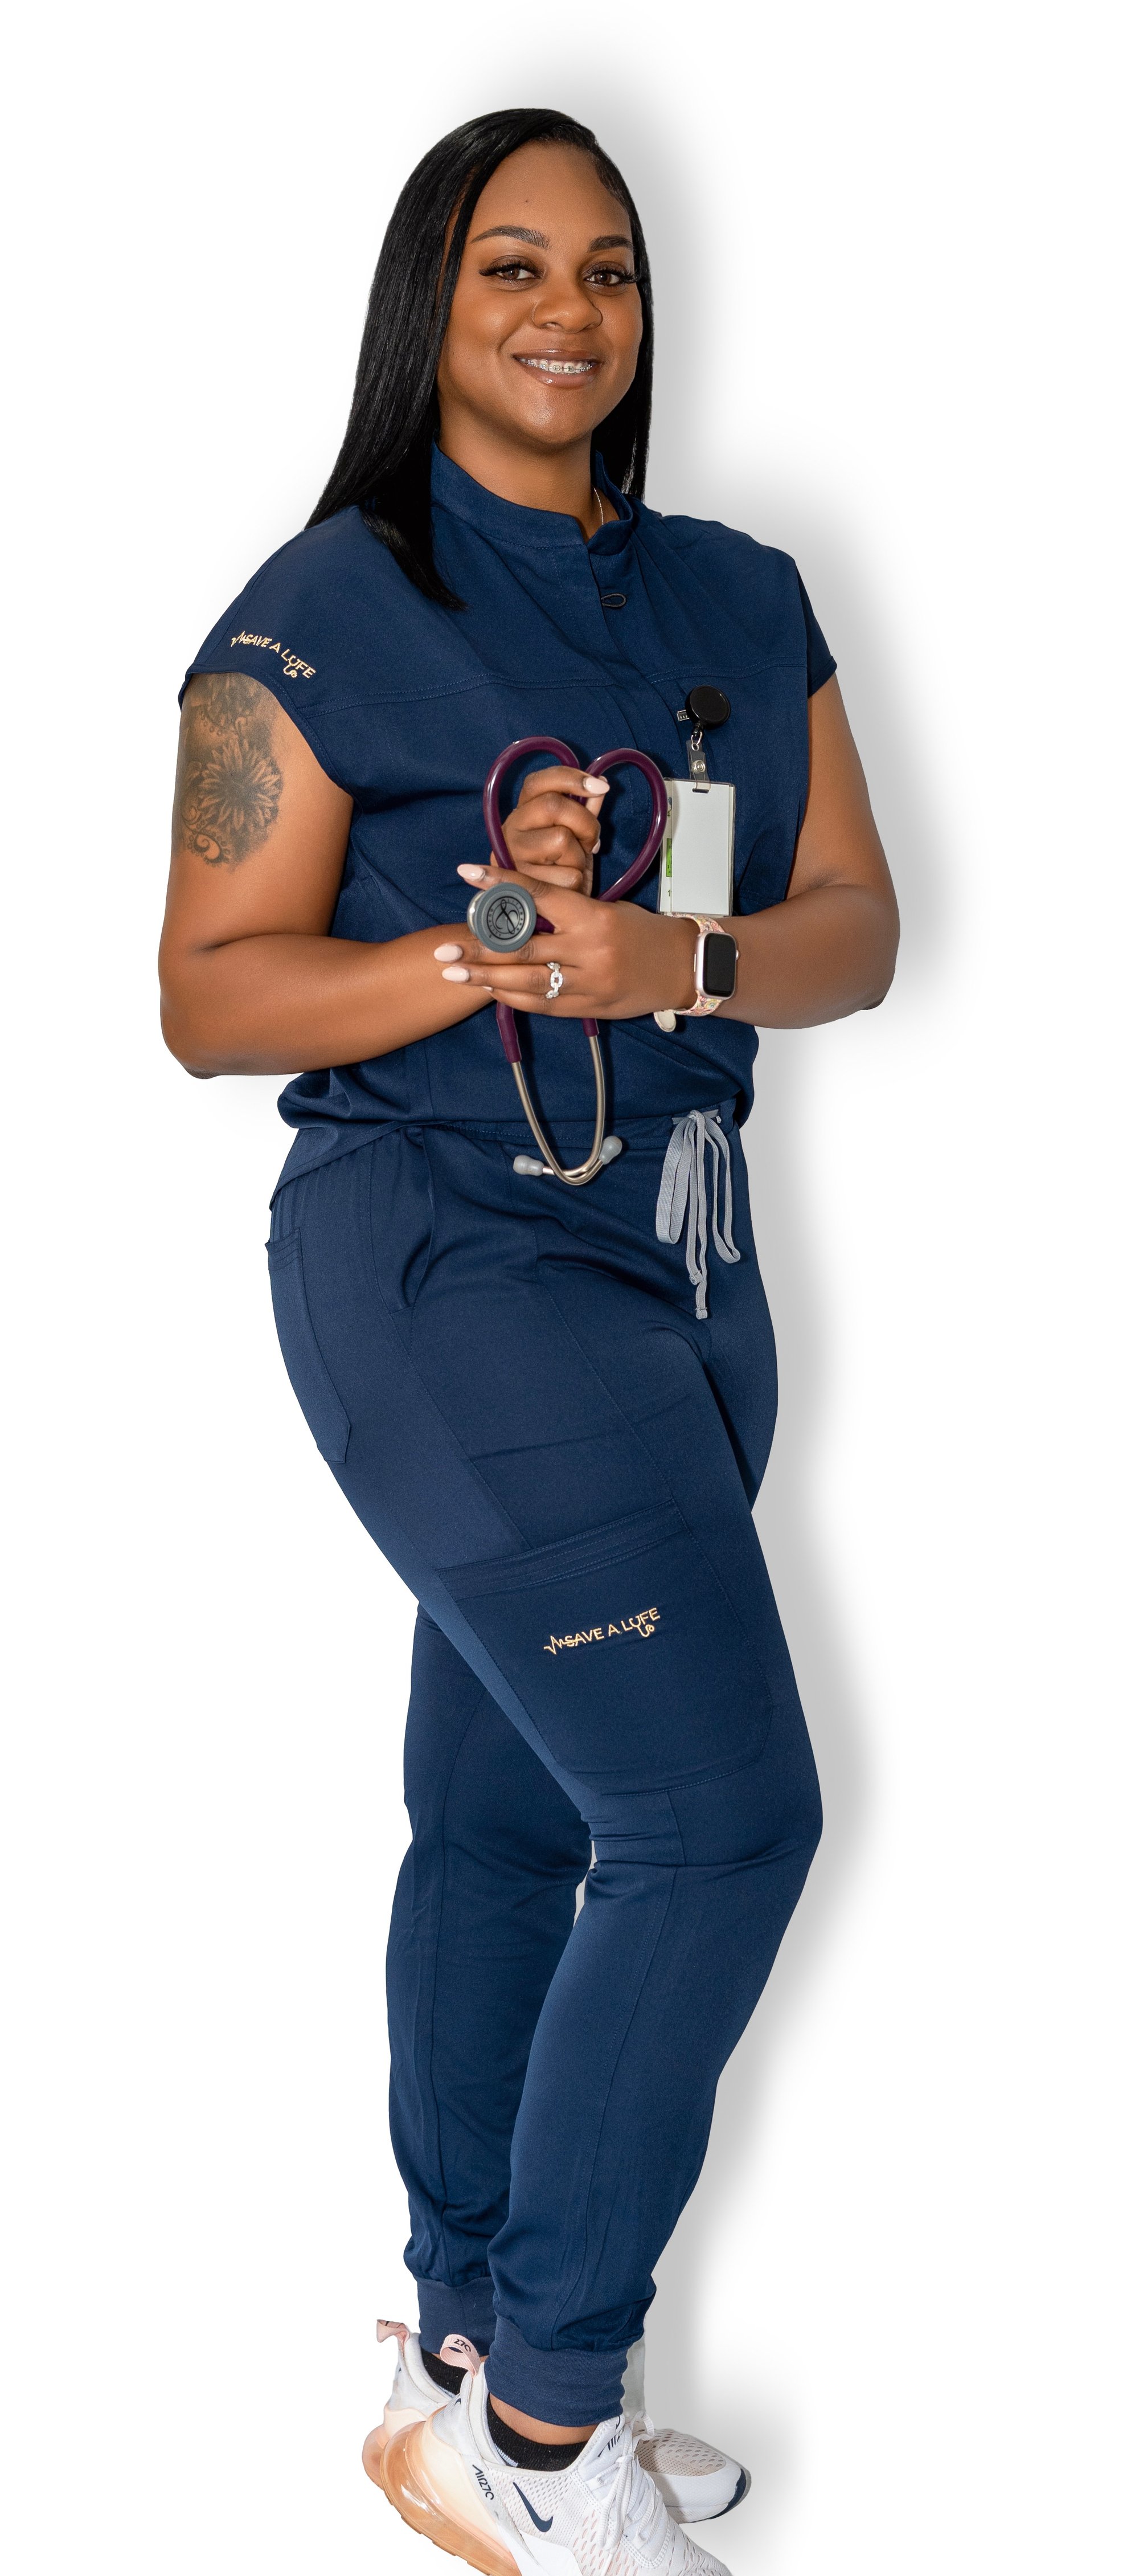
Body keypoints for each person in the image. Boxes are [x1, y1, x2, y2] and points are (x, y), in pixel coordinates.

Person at [160, 107, 898, 2576]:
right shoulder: (323, 607)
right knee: (722, 1822)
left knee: (519, 1818)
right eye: (509, 267)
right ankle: (557, 2436)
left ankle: (460, 2356)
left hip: (681, 1272)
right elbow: (207, 996)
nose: (566, 310)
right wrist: (485, 947)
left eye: (604, 267)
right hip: (450, 1268)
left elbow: (849, 926)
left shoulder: (733, 596)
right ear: (431, 304)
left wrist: (673, 955)